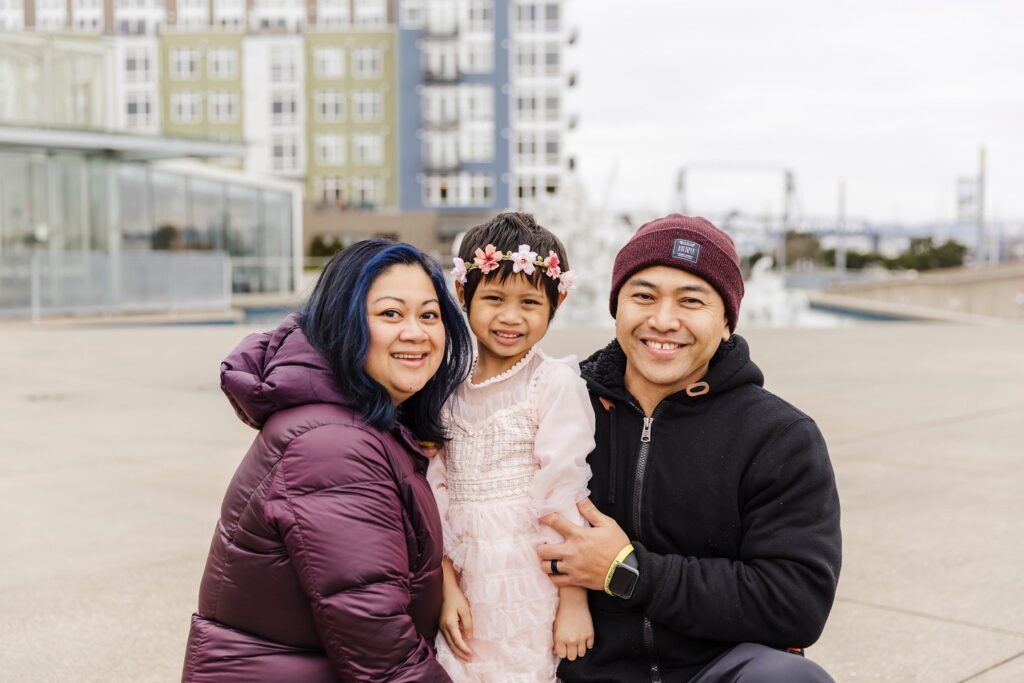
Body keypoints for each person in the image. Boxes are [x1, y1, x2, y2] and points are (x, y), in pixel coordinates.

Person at [537, 214, 842, 682]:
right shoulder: (558, 403)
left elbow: (794, 603)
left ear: (726, 322)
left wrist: (628, 570)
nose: (663, 320)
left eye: (691, 301)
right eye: (643, 295)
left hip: (714, 671)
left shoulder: (780, 436)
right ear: (616, 307)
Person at [181, 240, 473, 682]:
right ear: (345, 322)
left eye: (428, 315)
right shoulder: (335, 447)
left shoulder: (362, 423)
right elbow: (382, 651)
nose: (416, 332)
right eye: (391, 314)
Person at [427, 212, 595, 682]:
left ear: (555, 302)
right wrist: (446, 586)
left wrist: (574, 602)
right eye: (494, 298)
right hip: (465, 573)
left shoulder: (552, 382)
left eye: (529, 302)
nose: (510, 317)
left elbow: (565, 498)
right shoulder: (444, 385)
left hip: (530, 577)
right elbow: (432, 487)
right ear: (463, 295)